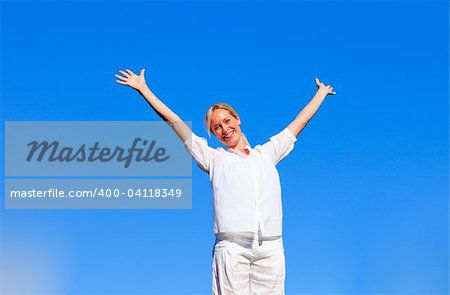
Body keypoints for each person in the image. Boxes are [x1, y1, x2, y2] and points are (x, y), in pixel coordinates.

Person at [115, 68, 335, 294]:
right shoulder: (213, 158)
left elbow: (299, 123)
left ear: (237, 119)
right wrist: (143, 89)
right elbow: (175, 123)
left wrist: (321, 93)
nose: (224, 129)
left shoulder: (267, 153)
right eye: (216, 128)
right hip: (231, 248)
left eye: (227, 121)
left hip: (270, 247)